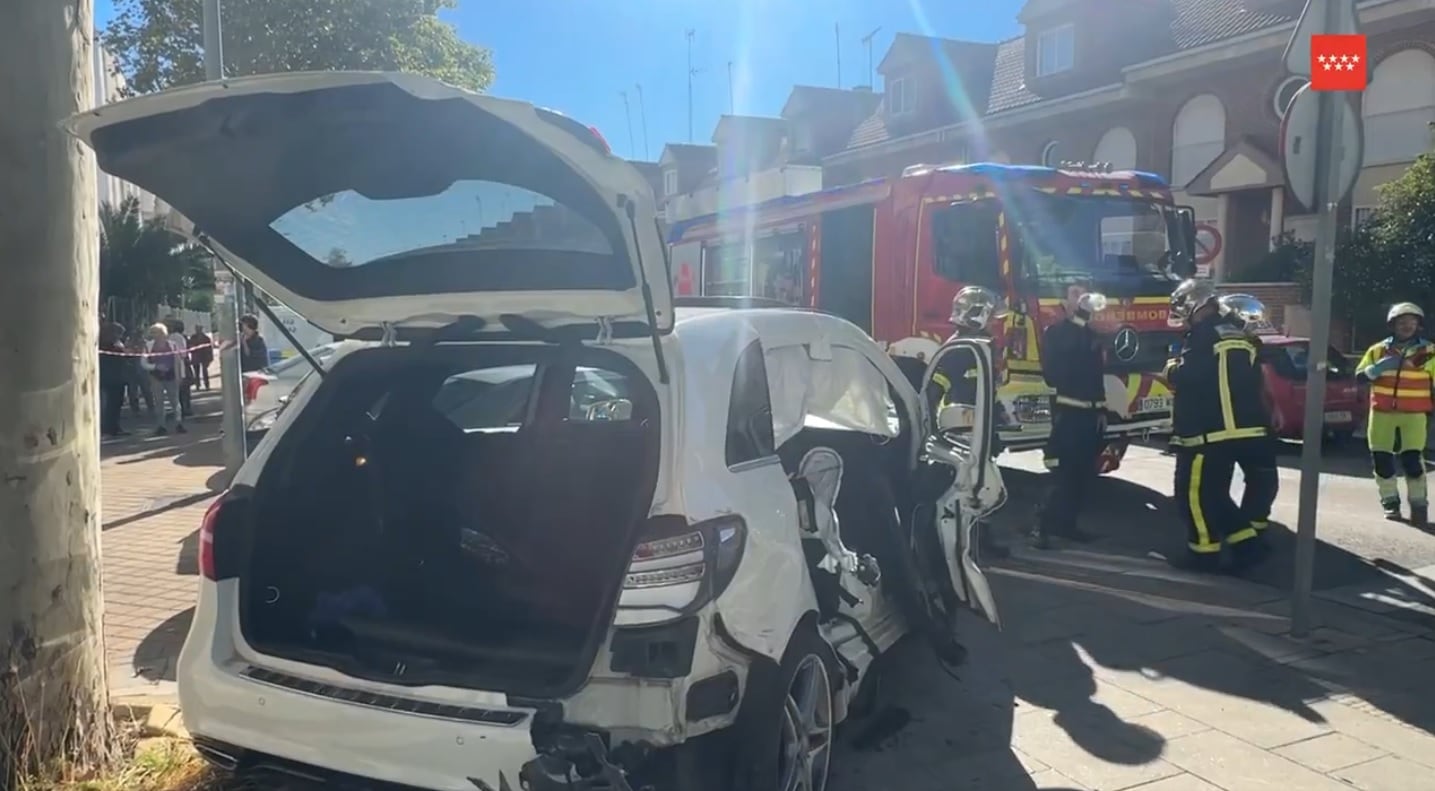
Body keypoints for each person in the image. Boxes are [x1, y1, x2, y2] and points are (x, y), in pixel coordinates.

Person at [1165, 279, 1271, 572]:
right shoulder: (1235, 332)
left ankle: (1203, 555)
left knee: (1192, 496)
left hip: (1206, 433)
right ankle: (1247, 547)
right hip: (1233, 431)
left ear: (1194, 305)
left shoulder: (1203, 335)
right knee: (1215, 496)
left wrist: (1171, 368)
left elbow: (1189, 377)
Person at [926, 285, 1010, 558]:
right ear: (978, 315)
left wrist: (999, 417)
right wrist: (933, 432)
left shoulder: (978, 348)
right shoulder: (958, 351)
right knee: (971, 489)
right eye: (991, 317)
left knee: (982, 486)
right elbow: (932, 393)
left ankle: (979, 540)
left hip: (981, 431)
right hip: (964, 434)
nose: (995, 324)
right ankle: (967, 544)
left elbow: (985, 390)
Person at [1032, 286, 1110, 549]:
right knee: (1061, 473)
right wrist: (1078, 319)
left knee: (1082, 474)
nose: (1082, 299)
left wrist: (1101, 410)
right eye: (1076, 295)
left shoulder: (1089, 334)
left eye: (1084, 294)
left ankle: (1067, 525)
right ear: (1064, 303)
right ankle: (1041, 526)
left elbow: (1095, 375)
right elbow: (1056, 372)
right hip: (1067, 415)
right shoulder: (1057, 333)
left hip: (1089, 415)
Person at [1355, 302, 1435, 526]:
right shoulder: (1378, 350)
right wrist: (1377, 368)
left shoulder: (1429, 351)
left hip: (1414, 414)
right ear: (1393, 325)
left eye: (1412, 321)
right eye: (1402, 322)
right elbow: (1359, 377)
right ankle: (1390, 503)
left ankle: (1419, 505)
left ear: (1419, 325)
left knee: (1412, 461)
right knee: (1382, 461)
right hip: (1381, 413)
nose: (1407, 325)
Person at [1217, 293, 1280, 537]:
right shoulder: (1213, 340)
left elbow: (1262, 380)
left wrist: (1272, 409)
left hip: (1254, 421)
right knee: (1218, 484)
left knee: (1264, 480)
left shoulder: (1252, 343)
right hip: (1223, 424)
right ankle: (1237, 532)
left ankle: (1253, 529)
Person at [143, 322, 187, 436]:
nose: (155, 335)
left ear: (163, 333)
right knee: (159, 402)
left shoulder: (173, 345)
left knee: (175, 401)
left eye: (157, 332)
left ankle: (178, 423)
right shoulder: (148, 346)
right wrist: (155, 367)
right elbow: (143, 363)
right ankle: (161, 426)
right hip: (156, 377)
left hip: (171, 376)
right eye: (153, 333)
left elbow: (178, 361)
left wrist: (180, 376)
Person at [98, 322, 129, 439]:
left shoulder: (117, 343)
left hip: (119, 377)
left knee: (117, 403)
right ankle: (107, 428)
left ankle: (115, 427)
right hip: (110, 377)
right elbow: (114, 355)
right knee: (109, 404)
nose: (120, 336)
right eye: (119, 334)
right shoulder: (106, 344)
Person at [166, 319, 192, 418]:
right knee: (184, 388)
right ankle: (184, 408)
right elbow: (184, 353)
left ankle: (181, 409)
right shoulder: (180, 337)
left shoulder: (172, 337)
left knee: (179, 388)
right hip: (180, 364)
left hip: (174, 364)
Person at [188, 326, 214, 390]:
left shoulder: (206, 338)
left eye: (199, 329)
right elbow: (190, 347)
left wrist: (210, 358)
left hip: (204, 356)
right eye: (197, 329)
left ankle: (207, 385)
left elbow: (210, 348)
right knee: (196, 372)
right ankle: (197, 385)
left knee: (205, 371)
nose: (198, 330)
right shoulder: (193, 337)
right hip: (196, 357)